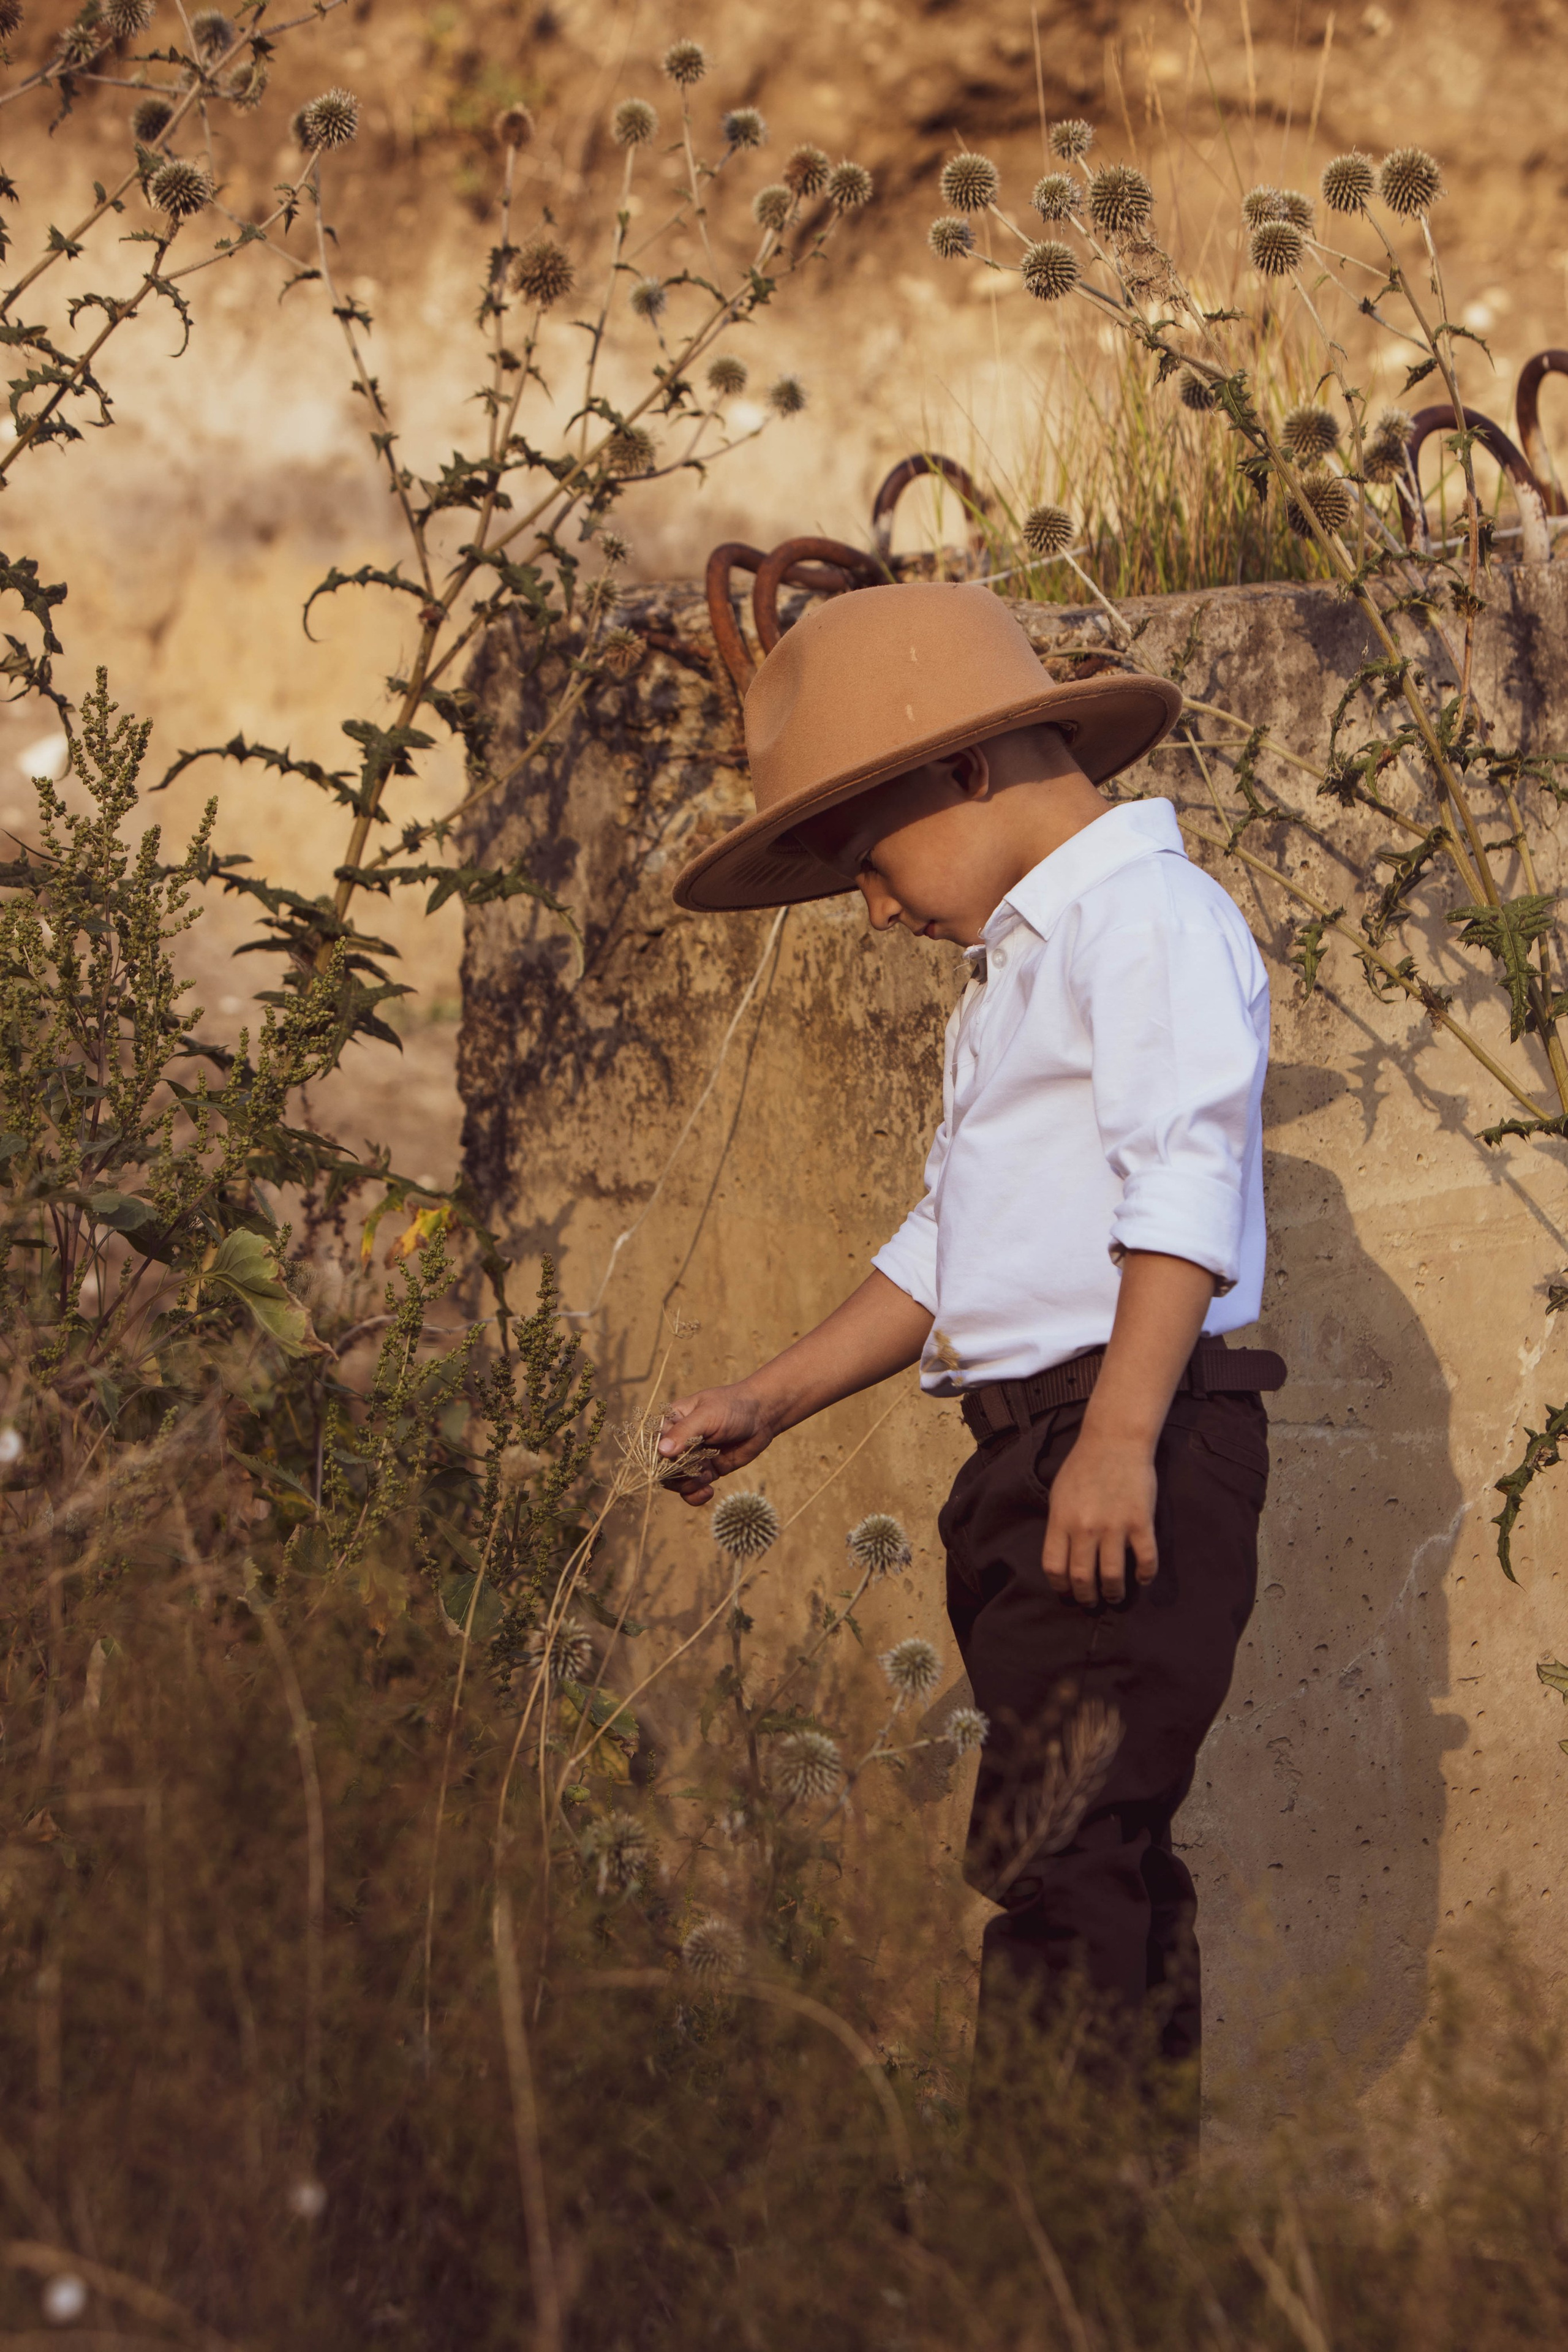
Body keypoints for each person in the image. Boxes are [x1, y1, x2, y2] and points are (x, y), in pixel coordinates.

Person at [657, 580, 1283, 2108]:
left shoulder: (1141, 922)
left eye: (870, 865)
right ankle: (1111, 2252)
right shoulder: (1018, 966)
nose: (874, 909)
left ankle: (1039, 2238)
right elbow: (955, 1246)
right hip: (1041, 1445)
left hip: (1114, 1437)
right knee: (1086, 1854)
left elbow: (1181, 1187)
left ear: (959, 770)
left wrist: (1119, 1442)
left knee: (1059, 1857)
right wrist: (770, 1398)